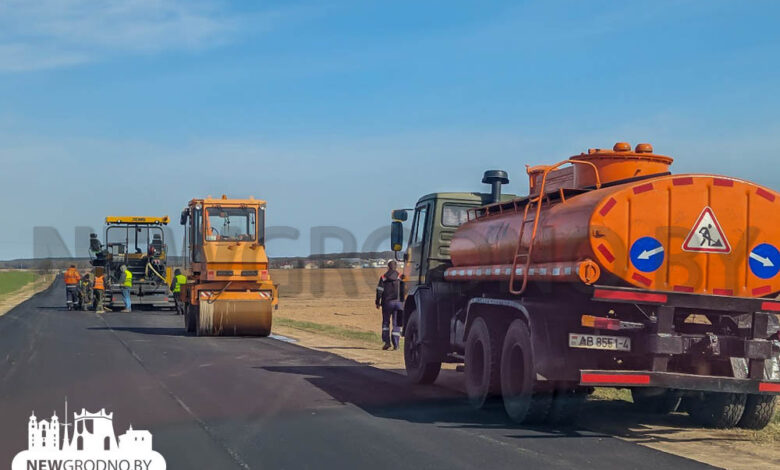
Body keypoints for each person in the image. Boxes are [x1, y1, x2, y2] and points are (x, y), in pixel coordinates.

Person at [375, 260, 405, 350]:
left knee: (386, 323)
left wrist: (377, 302)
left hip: (387, 303)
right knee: (396, 324)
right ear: (396, 267)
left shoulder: (383, 277)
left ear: (388, 267)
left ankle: (387, 342)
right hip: (399, 303)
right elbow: (404, 290)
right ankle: (396, 345)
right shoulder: (400, 277)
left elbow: (379, 291)